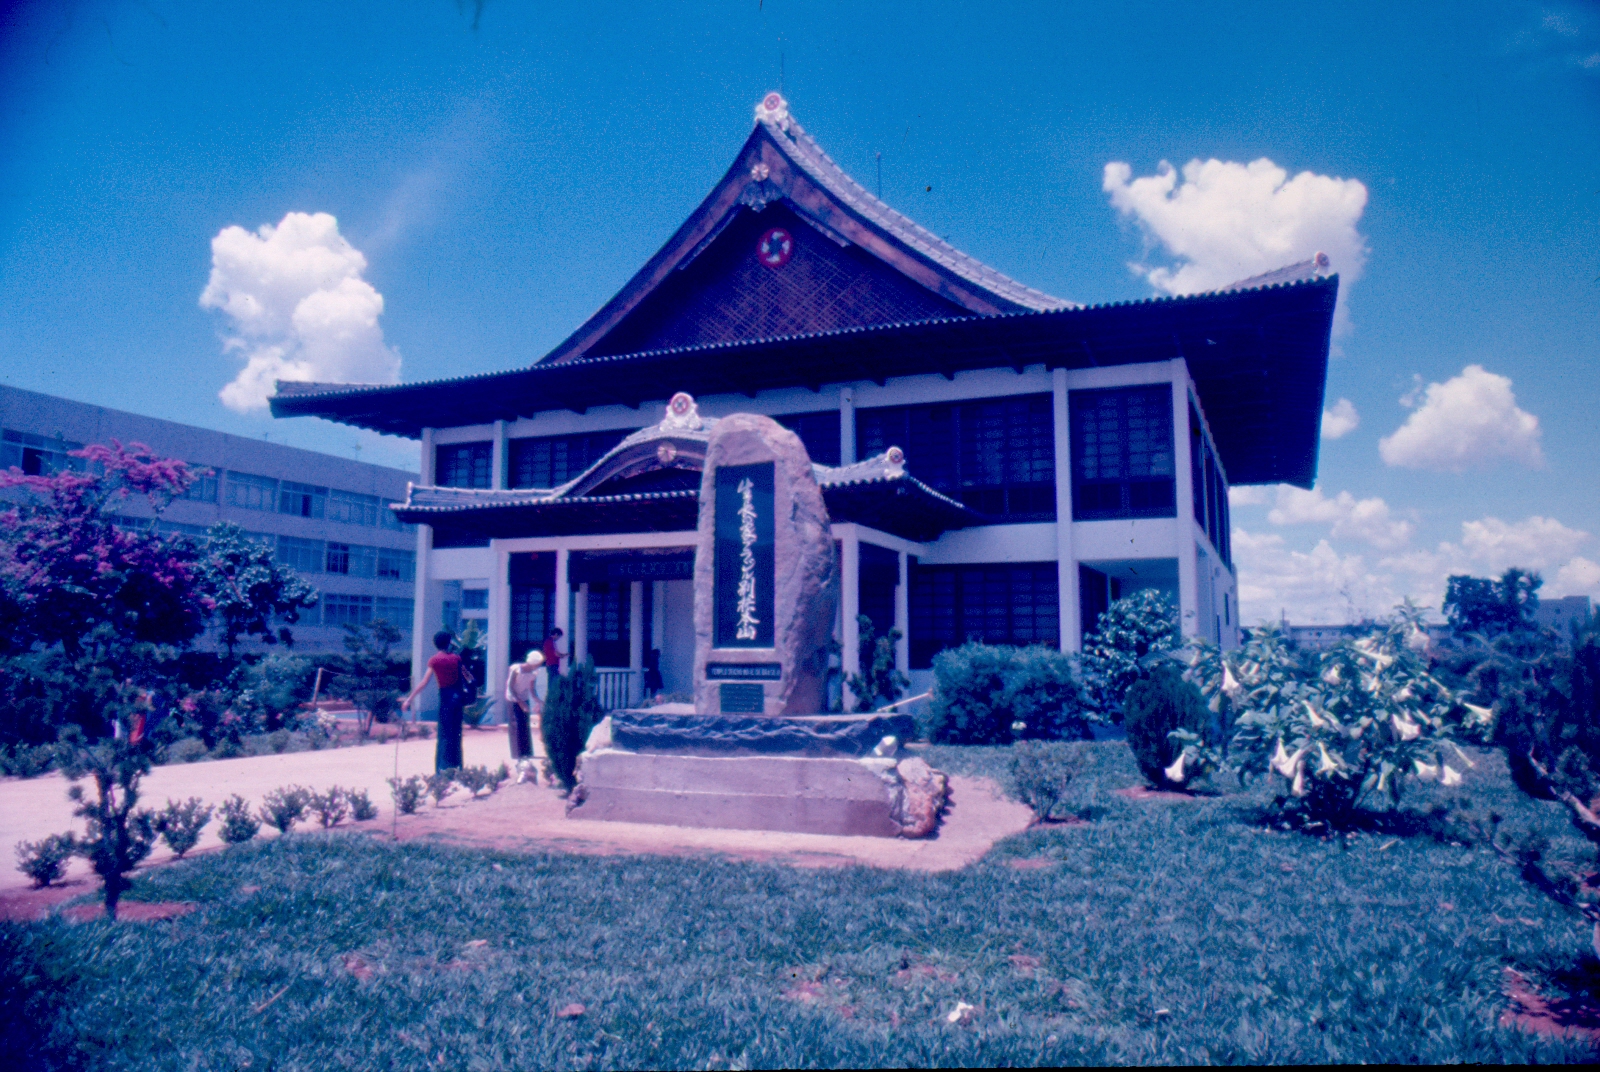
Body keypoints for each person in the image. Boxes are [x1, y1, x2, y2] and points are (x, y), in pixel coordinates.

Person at [401, 631, 471, 772]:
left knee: (444, 735)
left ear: (435, 644)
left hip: (445, 698)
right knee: (456, 734)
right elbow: (468, 676)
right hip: (458, 699)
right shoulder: (456, 658)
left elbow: (424, 682)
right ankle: (458, 767)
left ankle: (441, 769)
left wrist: (409, 699)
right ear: (449, 642)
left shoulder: (434, 660)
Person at [504, 649, 549, 784]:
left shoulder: (534, 673)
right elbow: (511, 687)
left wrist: (538, 700)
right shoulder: (515, 669)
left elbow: (532, 689)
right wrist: (520, 703)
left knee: (524, 725)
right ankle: (518, 754)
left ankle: (526, 753)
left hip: (524, 697)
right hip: (513, 698)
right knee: (516, 725)